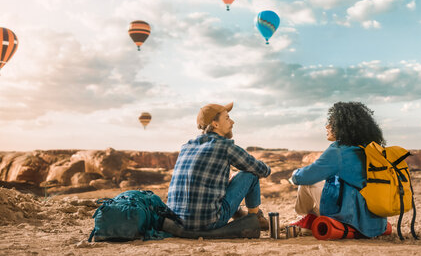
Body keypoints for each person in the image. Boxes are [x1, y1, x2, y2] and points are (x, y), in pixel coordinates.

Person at [288, 102, 391, 238]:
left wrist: (295, 175)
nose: (327, 127)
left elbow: (306, 176)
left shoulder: (339, 150)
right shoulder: (370, 147)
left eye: (331, 123)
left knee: (307, 183)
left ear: (342, 126)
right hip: (375, 217)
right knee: (327, 181)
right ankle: (311, 218)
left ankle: (309, 217)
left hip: (352, 216)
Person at [166, 102, 271, 232]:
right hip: (208, 223)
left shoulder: (186, 147)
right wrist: (265, 167)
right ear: (215, 124)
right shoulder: (224, 146)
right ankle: (255, 219)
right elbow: (261, 170)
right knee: (250, 174)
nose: (232, 122)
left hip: (177, 223)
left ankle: (239, 213)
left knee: (220, 182)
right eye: (227, 118)